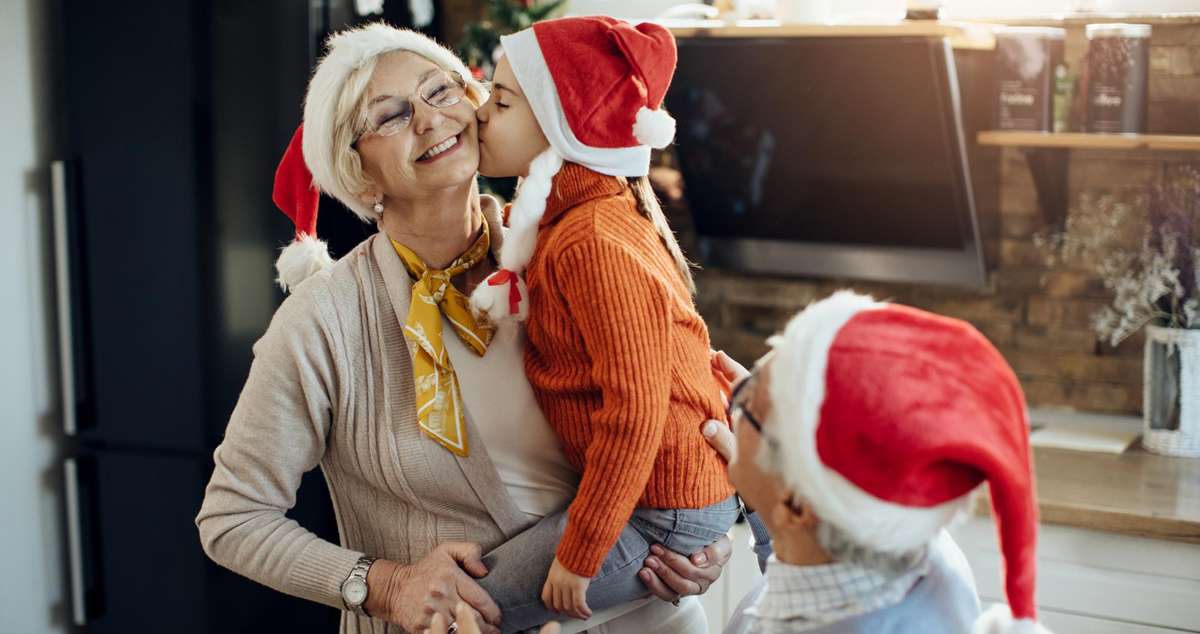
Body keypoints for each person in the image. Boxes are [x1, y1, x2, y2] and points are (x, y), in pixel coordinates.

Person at [195, 23, 726, 634]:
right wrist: (383, 585)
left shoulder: (571, 248)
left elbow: (684, 408)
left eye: (441, 91)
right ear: (358, 176)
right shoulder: (323, 320)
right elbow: (233, 519)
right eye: (390, 115)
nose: (428, 119)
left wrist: (703, 540)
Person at [462, 16, 740, 633]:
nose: (479, 112)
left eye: (501, 100)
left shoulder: (591, 239)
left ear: (561, 126)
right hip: (649, 495)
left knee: (461, 611)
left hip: (657, 506)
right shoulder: (566, 219)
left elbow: (637, 410)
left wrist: (580, 553)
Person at [705, 291, 1052, 634]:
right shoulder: (912, 545)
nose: (733, 400)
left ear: (796, 504)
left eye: (746, 402)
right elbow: (810, 577)